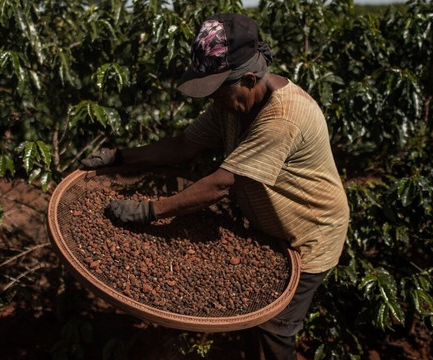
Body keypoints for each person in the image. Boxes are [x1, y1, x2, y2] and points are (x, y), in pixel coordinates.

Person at [81, 13, 349, 360]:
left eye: (219, 91)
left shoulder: (284, 119)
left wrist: (149, 211)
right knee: (253, 318)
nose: (215, 100)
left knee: (275, 329)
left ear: (249, 79)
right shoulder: (232, 104)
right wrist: (119, 156)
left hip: (310, 234)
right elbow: (183, 146)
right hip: (271, 227)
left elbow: (223, 184)